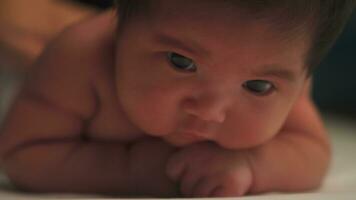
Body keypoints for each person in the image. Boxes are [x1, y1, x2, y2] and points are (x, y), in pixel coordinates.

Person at [0, 0, 354, 197]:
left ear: (305, 75)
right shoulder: (80, 58)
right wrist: (134, 171)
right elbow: (21, 154)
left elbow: (312, 152)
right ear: (121, 27)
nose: (210, 112)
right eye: (181, 62)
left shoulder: (282, 63)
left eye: (257, 87)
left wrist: (253, 166)